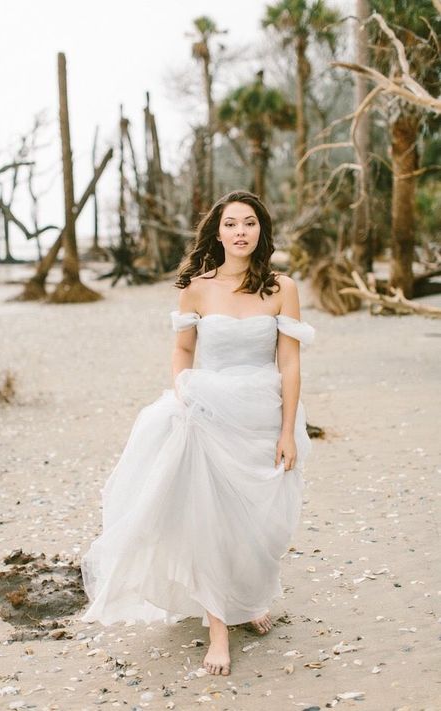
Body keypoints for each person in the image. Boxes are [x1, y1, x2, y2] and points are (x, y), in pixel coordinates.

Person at [80, 189, 315, 677]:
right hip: (207, 413)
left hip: (261, 415)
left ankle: (249, 599)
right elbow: (183, 351)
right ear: (218, 231)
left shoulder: (281, 287)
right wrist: (184, 391)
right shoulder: (197, 287)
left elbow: (289, 363)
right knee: (209, 519)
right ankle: (217, 629)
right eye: (231, 224)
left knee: (258, 522)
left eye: (249, 223)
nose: (240, 232)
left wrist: (288, 430)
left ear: (261, 231)